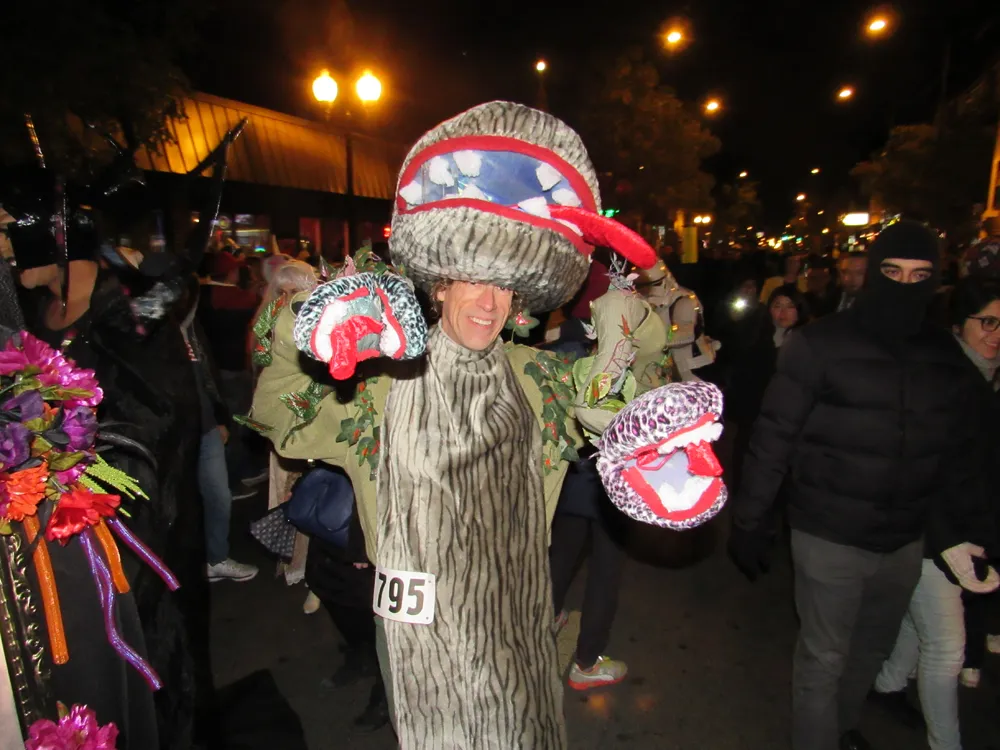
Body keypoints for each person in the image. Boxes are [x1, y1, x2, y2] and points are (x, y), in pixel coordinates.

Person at [248, 101, 658, 749]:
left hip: (516, 634)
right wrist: (311, 318)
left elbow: (629, 408)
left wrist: (626, 330)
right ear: (439, 285)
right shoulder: (381, 383)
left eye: (504, 286)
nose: (489, 302)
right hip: (420, 647)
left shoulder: (542, 381)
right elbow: (279, 413)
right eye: (472, 280)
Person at [727, 220, 998, 750]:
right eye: (892, 272)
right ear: (874, 273)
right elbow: (773, 436)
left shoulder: (942, 355)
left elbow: (954, 455)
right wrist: (750, 519)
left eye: (919, 275)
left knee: (869, 651)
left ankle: (842, 728)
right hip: (827, 533)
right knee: (823, 659)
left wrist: (965, 531)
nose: (905, 286)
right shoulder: (820, 343)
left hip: (903, 541)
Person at [869, 276, 1000, 750]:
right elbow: (919, 465)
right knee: (947, 649)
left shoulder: (984, 375)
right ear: (960, 323)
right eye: (987, 322)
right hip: (931, 532)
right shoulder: (944, 378)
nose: (996, 334)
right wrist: (948, 540)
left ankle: (887, 683)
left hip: (962, 529)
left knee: (920, 620)